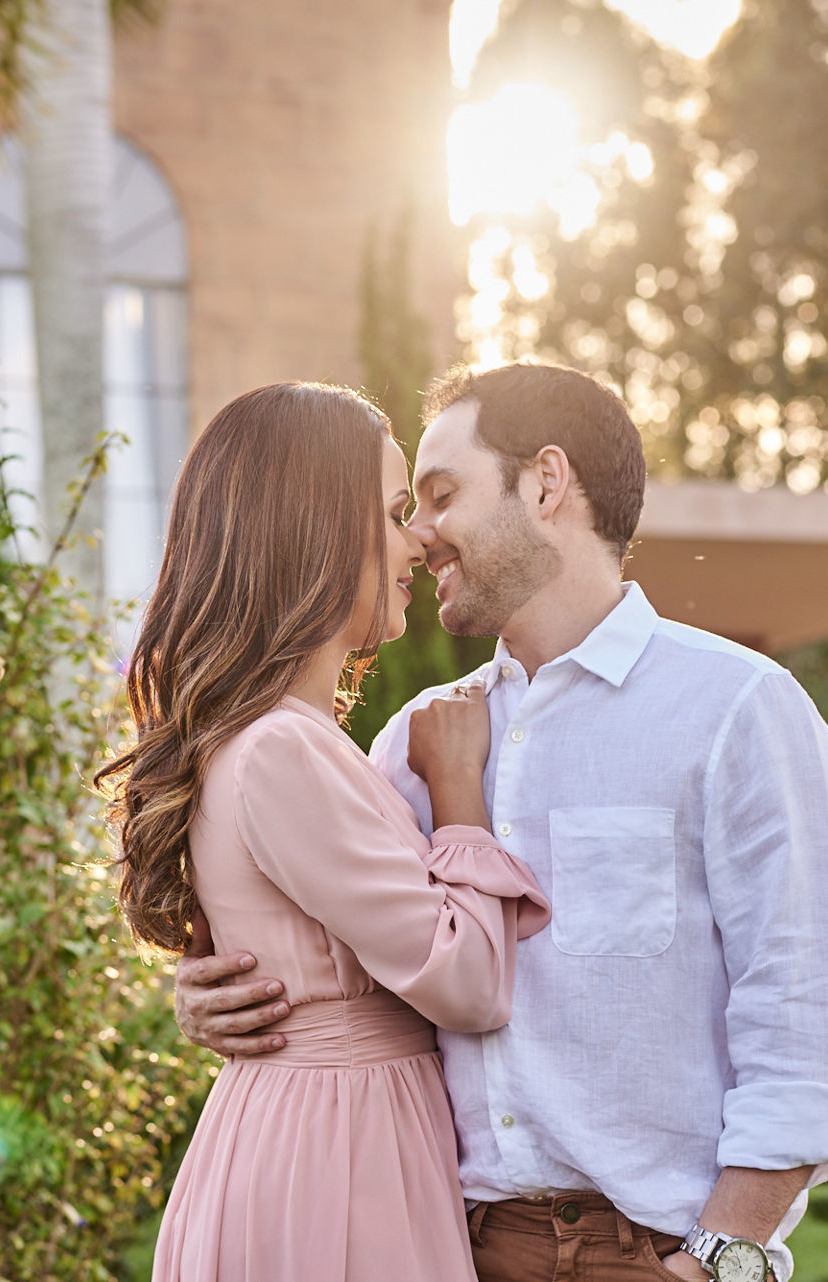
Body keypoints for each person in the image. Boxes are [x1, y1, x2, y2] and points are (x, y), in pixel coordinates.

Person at [174, 362, 828, 1282]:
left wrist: (721, 1262)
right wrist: (216, 991)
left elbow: (810, 1026)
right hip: (443, 1241)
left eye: (439, 496)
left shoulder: (738, 710)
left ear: (546, 484)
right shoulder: (415, 743)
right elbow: (361, 958)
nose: (419, 536)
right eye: (406, 510)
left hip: (654, 1254)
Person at [97, 381, 551, 1282]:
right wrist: (458, 791)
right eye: (392, 512)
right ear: (311, 534)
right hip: (334, 1159)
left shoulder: (297, 745)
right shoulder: (279, 754)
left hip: (338, 1134)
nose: (418, 541)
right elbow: (467, 984)